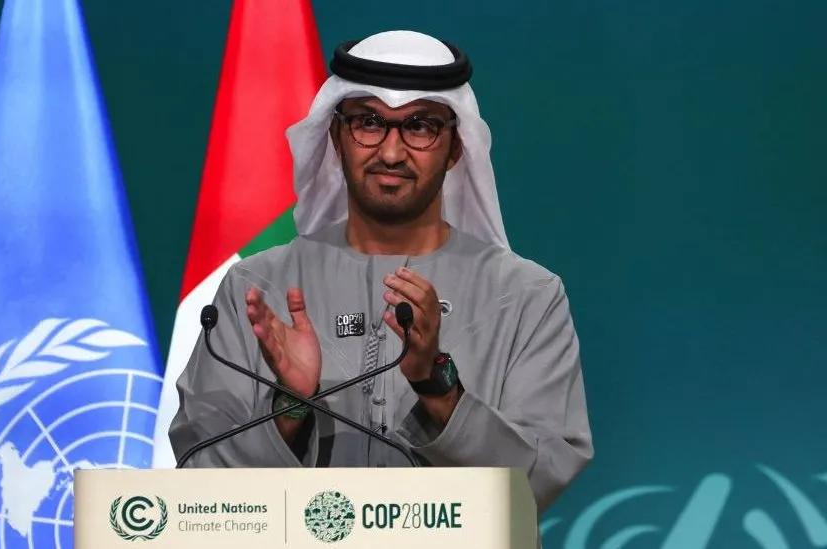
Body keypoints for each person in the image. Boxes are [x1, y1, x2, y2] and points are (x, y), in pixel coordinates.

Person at [170, 30, 592, 512]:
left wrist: (437, 384)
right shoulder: (256, 288)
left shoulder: (526, 296)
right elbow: (198, 476)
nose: (391, 153)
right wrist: (290, 403)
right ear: (336, 137)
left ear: (456, 147)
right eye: (369, 123)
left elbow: (542, 477)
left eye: (420, 126)